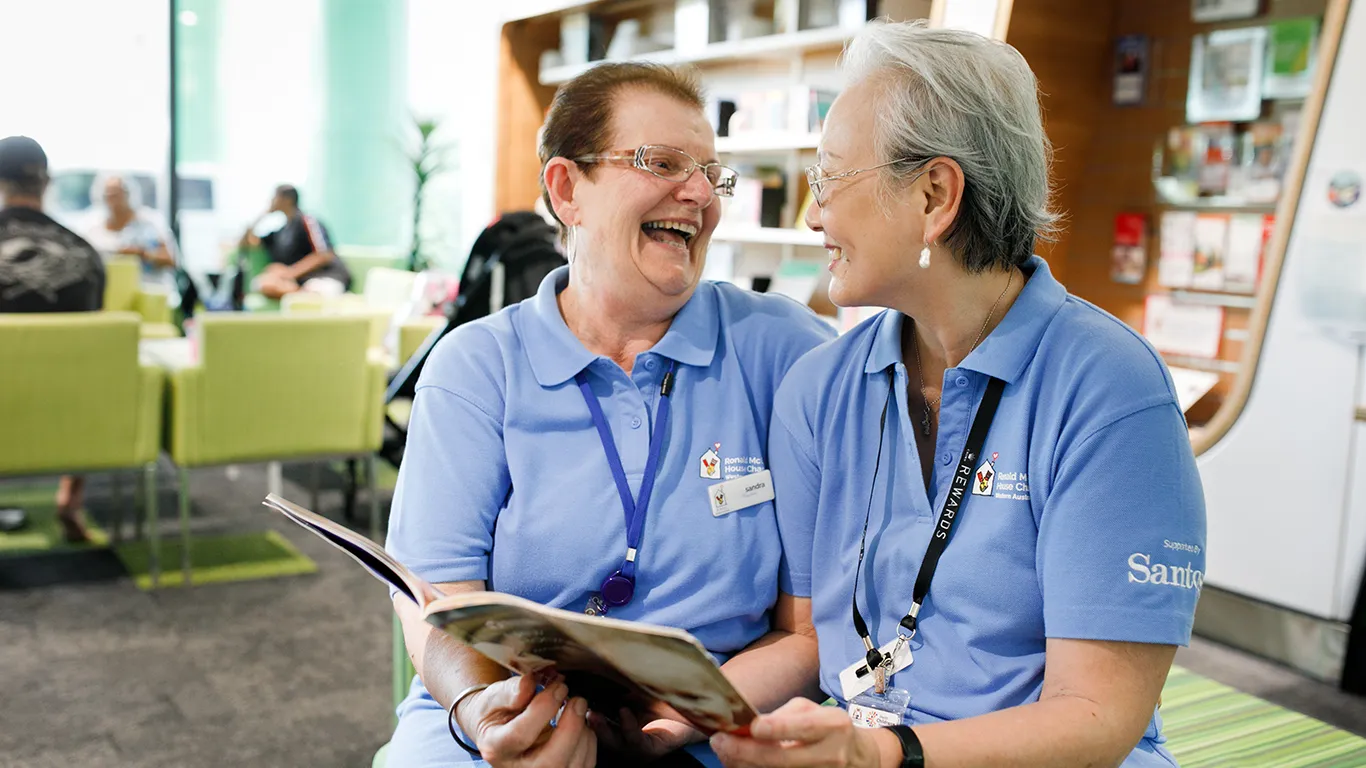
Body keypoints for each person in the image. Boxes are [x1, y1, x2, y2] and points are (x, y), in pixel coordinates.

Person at [710, 22, 1206, 768]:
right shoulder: (819, 388)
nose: (813, 215)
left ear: (935, 195)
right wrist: (679, 707)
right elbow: (810, 640)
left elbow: (1097, 717)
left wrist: (880, 755)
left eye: (829, 179)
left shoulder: (1110, 388)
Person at [384, 62, 835, 768]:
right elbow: (437, 606)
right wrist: (484, 714)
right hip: (505, 706)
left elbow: (806, 631)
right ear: (568, 190)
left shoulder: (787, 352)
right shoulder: (476, 367)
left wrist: (687, 716)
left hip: (719, 722)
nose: (698, 194)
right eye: (661, 162)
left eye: (712, 175)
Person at [0, 136, 106, 543]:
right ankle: (70, 499)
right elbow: (92, 352)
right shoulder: (86, 255)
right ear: (45, 184)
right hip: (68, 418)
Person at [81, 174, 180, 304]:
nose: (113, 201)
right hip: (112, 295)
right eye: (109, 195)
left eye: (117, 194)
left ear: (129, 194)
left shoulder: (150, 222)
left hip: (151, 293)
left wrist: (141, 254)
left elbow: (171, 260)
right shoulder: (93, 228)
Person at [239, 184, 351, 299]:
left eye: (274, 197)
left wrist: (290, 273)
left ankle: (306, 296)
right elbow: (246, 243)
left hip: (326, 278)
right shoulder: (281, 231)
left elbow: (324, 255)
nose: (271, 201)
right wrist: (261, 216)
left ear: (286, 200)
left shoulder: (308, 221)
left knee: (314, 290)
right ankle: (301, 295)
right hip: (299, 284)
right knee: (262, 283)